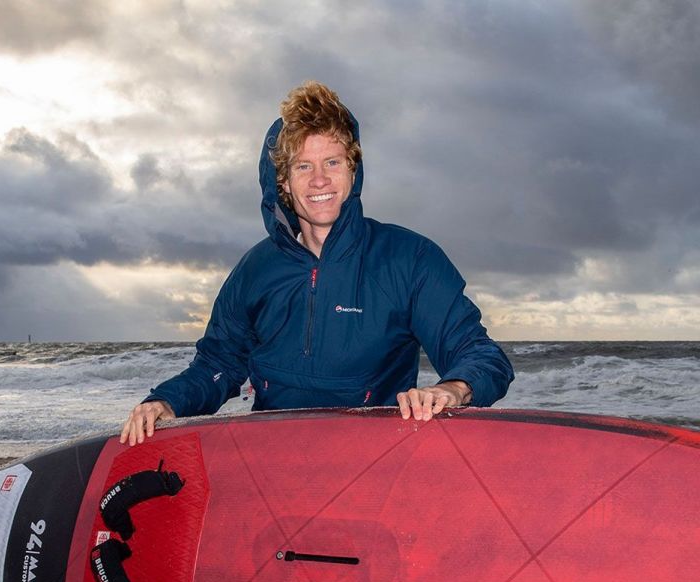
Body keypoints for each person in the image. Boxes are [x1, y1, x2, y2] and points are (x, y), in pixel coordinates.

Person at [121, 82, 513, 446]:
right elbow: (218, 365)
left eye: (333, 162)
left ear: (352, 170)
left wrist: (453, 389)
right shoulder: (255, 270)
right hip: (273, 457)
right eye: (303, 166)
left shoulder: (409, 258)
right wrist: (166, 402)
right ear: (284, 183)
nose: (320, 180)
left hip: (376, 456)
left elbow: (480, 354)